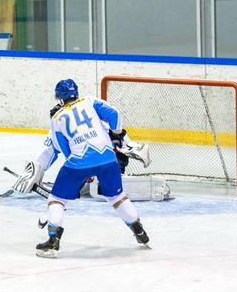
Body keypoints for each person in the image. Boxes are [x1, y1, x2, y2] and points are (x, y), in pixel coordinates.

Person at [13, 79, 150, 258]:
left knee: (56, 200)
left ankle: (53, 241)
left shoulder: (57, 119)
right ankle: (140, 232)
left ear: (59, 98)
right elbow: (114, 114)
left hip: (78, 162)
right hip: (108, 158)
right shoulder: (90, 101)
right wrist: (117, 134)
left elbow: (64, 149)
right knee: (117, 197)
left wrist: (81, 172)